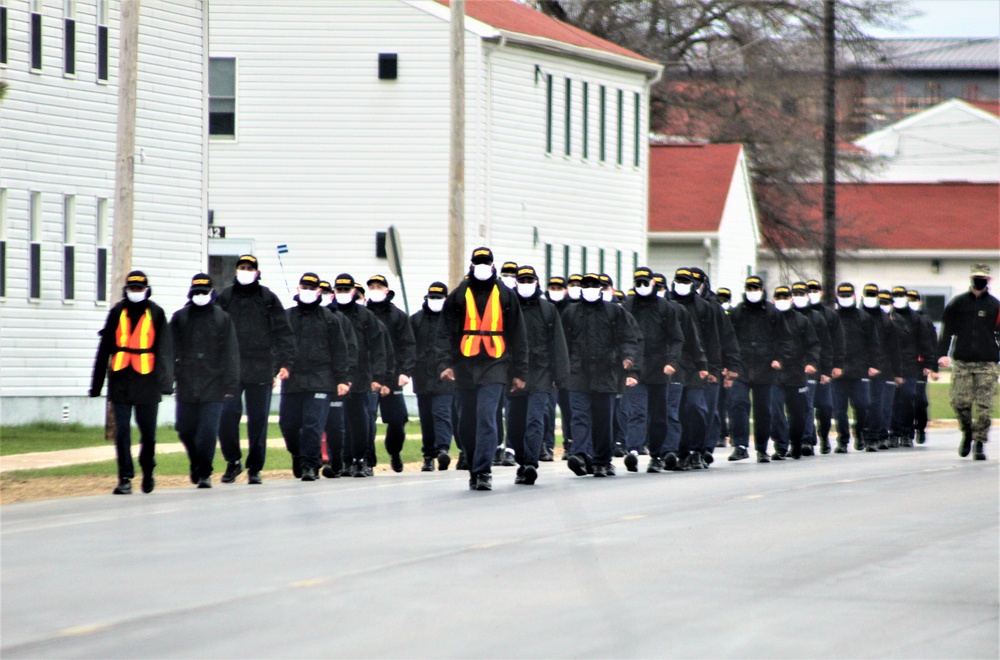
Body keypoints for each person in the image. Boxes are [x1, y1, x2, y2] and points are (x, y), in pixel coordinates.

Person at [436, 247, 528, 491]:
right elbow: (444, 333)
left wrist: (520, 372)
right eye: (479, 262)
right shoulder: (458, 295)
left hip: (496, 364)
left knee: (487, 417)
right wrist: (444, 364)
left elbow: (519, 335)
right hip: (464, 364)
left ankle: (483, 470)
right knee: (465, 421)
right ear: (471, 265)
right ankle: (472, 460)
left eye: (486, 262)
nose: (483, 265)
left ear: (493, 265)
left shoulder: (507, 295)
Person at [90, 270, 174, 495]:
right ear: (126, 290)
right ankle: (125, 477)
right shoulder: (117, 312)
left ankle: (148, 470)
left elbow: (165, 350)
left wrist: (167, 383)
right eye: (132, 288)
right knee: (123, 431)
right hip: (121, 379)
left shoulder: (156, 313)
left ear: (147, 290)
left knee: (148, 434)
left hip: (148, 380)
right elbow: (104, 348)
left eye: (139, 288)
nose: (135, 292)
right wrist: (96, 385)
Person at [216, 254, 295, 485]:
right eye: (242, 267)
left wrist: (285, 363)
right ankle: (233, 461)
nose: (246, 270)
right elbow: (214, 329)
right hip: (231, 368)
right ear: (236, 270)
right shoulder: (225, 297)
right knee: (227, 415)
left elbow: (284, 333)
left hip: (262, 367)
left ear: (257, 272)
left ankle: (255, 468)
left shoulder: (268, 298)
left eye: (250, 267)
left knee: (258, 421)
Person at [560, 273, 640, 478]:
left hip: (607, 372)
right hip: (579, 373)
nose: (589, 288)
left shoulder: (614, 312)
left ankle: (602, 460)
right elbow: (562, 343)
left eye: (594, 285)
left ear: (601, 288)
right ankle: (579, 454)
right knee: (579, 415)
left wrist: (628, 358)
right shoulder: (571, 312)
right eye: (585, 285)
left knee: (603, 419)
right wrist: (562, 368)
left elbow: (628, 338)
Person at [170, 273, 240, 488]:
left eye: (204, 292)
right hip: (187, 382)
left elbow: (231, 352)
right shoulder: (180, 318)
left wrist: (231, 382)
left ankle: (204, 473)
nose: (200, 296)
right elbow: (169, 350)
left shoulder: (222, 318)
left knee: (207, 432)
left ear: (211, 293)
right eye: (196, 292)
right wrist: (168, 377)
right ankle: (196, 463)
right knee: (185, 429)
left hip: (214, 383)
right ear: (191, 293)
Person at [280, 273, 351, 481]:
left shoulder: (330, 319)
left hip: (321, 380)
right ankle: (297, 454)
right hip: (293, 380)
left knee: (313, 424)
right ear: (298, 288)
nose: (308, 291)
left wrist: (342, 379)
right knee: (288, 424)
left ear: (319, 292)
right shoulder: (288, 317)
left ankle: (310, 465)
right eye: (305, 287)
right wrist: (281, 367)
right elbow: (279, 346)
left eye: (312, 288)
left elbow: (340, 351)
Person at [507, 266, 569, 485]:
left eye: (529, 280)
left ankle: (531, 463)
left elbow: (558, 343)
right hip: (515, 376)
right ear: (516, 283)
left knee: (535, 419)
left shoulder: (548, 309)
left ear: (536, 283)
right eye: (521, 280)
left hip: (541, 372)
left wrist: (559, 375)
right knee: (515, 424)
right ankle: (522, 461)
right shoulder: (509, 308)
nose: (525, 283)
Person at [622, 267, 685, 473]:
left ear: (652, 284)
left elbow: (676, 338)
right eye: (637, 283)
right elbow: (622, 336)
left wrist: (672, 362)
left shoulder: (665, 307)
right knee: (637, 412)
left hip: (660, 368)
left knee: (659, 416)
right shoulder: (628, 306)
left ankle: (656, 455)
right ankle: (632, 451)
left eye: (645, 283)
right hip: (635, 368)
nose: (641, 286)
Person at [937, 264, 1000, 460]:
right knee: (959, 403)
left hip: (987, 363)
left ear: (989, 280)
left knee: (984, 408)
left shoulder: (995, 306)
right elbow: (946, 331)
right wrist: (942, 354)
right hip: (963, 361)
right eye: (977, 277)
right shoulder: (958, 304)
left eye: (983, 277)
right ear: (971, 278)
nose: (980, 280)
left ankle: (980, 443)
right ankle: (967, 432)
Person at [325, 274, 385, 479]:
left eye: (346, 290)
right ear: (334, 292)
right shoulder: (327, 313)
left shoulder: (365, 315)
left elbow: (378, 346)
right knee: (336, 422)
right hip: (335, 376)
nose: (342, 294)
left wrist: (378, 376)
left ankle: (360, 459)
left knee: (359, 420)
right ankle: (340, 460)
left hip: (360, 376)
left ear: (353, 291)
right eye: (338, 290)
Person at [728, 276, 785, 463]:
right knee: (738, 404)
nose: (752, 291)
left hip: (765, 367)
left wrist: (778, 358)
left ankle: (762, 448)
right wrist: (728, 364)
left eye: (755, 288)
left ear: (762, 290)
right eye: (749, 288)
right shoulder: (737, 312)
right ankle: (740, 445)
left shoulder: (772, 312)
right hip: (741, 367)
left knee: (763, 410)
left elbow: (783, 338)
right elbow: (729, 339)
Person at [366, 274, 417, 473]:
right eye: (372, 286)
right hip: (369, 378)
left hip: (393, 376)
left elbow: (408, 346)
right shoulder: (363, 314)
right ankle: (367, 461)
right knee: (366, 419)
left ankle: (394, 452)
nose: (375, 290)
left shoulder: (398, 316)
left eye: (379, 286)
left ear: (387, 290)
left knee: (397, 420)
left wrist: (405, 372)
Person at [671, 268, 720, 469]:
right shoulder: (668, 305)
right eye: (679, 280)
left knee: (695, 407)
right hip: (674, 365)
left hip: (696, 366)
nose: (682, 284)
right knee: (677, 411)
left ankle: (697, 450)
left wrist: (713, 369)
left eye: (686, 281)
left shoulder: (704, 307)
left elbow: (713, 340)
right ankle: (681, 452)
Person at [770, 285, 820, 460]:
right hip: (774, 376)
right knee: (775, 410)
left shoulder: (801, 321)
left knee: (798, 413)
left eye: (786, 296)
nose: (782, 300)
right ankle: (781, 446)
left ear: (791, 299)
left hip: (797, 373)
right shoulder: (769, 321)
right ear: (773, 299)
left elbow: (813, 344)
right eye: (779, 297)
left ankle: (797, 442)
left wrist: (811, 362)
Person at [411, 282, 455, 472]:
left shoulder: (452, 321)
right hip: (422, 377)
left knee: (442, 414)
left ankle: (442, 449)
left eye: (439, 298)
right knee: (426, 418)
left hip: (444, 377)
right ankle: (428, 455)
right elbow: (408, 346)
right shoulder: (416, 320)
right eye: (432, 298)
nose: (435, 301)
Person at [832, 283, 880, 453]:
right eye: (842, 296)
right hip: (838, 370)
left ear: (854, 296)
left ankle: (859, 432)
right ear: (837, 297)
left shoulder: (864, 317)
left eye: (848, 296)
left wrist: (874, 364)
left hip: (860, 369)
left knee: (862, 404)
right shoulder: (832, 317)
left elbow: (873, 343)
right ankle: (843, 440)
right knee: (839, 409)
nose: (845, 299)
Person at [788, 281, 832, 457]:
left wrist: (825, 370)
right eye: (795, 294)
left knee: (808, 405)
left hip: (810, 368)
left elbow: (825, 345)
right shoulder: (785, 316)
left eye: (802, 294)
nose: (798, 297)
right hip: (789, 369)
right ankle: (797, 439)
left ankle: (806, 440)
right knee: (794, 407)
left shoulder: (817, 318)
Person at [806, 279, 845, 453]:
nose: (812, 293)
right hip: (806, 366)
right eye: (809, 290)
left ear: (821, 293)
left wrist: (831, 367)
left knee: (825, 406)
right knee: (806, 405)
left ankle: (823, 435)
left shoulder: (830, 315)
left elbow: (835, 343)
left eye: (815, 290)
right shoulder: (796, 314)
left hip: (823, 365)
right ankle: (808, 437)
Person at [907, 290, 939, 444]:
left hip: (920, 364)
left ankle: (920, 427)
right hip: (904, 364)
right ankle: (905, 429)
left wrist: (932, 366)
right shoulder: (899, 319)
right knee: (905, 398)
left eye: (913, 300)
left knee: (920, 398)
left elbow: (932, 344)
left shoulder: (925, 321)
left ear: (919, 302)